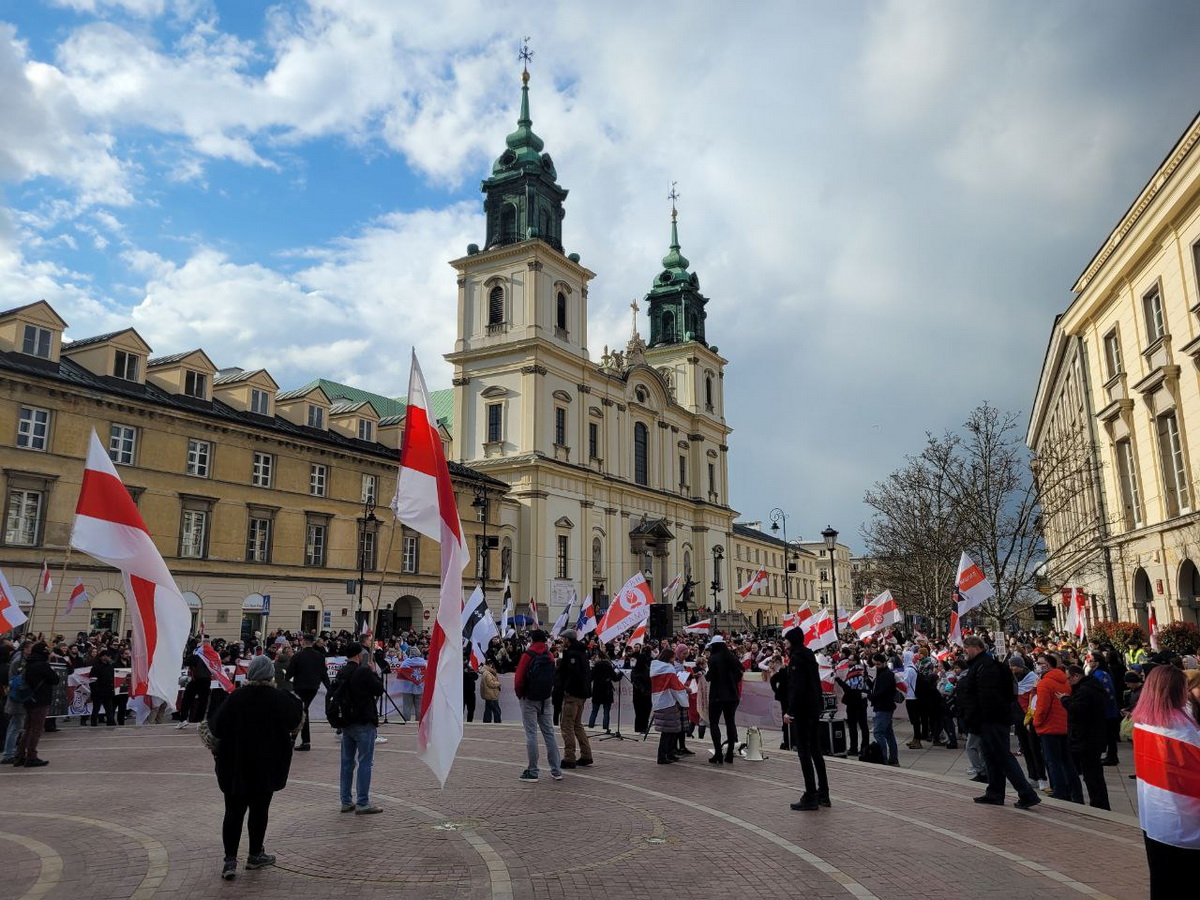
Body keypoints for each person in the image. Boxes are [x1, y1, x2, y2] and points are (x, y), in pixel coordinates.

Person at [208, 655, 303, 880]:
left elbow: (216, 727)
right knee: (259, 810)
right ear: (270, 674)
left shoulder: (235, 697)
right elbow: (295, 719)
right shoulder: (279, 698)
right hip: (266, 765)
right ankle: (254, 854)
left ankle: (230, 860)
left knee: (233, 812)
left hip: (235, 764)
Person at [1131, 665, 1200, 898]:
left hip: (1154, 817)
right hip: (1185, 820)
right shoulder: (1183, 729)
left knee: (1161, 881)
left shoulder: (1142, 720)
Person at [956, 636, 1040, 810]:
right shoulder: (982, 665)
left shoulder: (987, 667)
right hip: (987, 720)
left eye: (967, 647)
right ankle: (994, 792)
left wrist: (976, 717)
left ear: (977, 648)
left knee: (1002, 755)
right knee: (990, 756)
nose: (965, 650)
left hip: (991, 720)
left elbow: (986, 697)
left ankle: (1027, 793)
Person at [334, 642, 385, 814]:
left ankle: (346, 800)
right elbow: (379, 689)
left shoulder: (342, 671)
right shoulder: (363, 671)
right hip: (363, 720)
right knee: (365, 762)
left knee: (347, 763)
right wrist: (373, 672)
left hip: (346, 722)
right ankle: (363, 802)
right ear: (359, 655)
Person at [783, 628, 830, 810]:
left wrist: (790, 711)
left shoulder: (797, 658)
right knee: (816, 752)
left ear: (792, 641)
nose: (785, 644)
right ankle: (823, 793)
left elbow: (797, 687)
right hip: (814, 708)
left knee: (804, 752)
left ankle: (810, 794)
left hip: (802, 711)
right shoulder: (810, 656)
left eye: (787, 641)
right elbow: (814, 683)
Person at [1033, 653, 1083, 803]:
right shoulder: (1064, 681)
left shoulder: (1045, 683)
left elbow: (1042, 708)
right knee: (1067, 761)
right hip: (1063, 725)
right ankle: (1076, 793)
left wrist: (1036, 722)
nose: (1038, 665)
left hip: (1049, 727)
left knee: (1053, 762)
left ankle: (1061, 792)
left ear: (1047, 665)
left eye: (1040, 663)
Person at [514, 630, 563, 782]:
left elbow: (518, 679)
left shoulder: (528, 655)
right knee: (549, 733)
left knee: (531, 734)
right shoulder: (549, 655)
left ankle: (533, 770)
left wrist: (520, 694)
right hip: (545, 698)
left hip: (529, 698)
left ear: (532, 640)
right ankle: (556, 770)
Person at [1060, 664, 1110, 810]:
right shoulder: (1092, 687)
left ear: (1076, 676)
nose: (1068, 682)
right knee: (1093, 773)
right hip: (1092, 736)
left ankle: (1098, 804)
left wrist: (1065, 700)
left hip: (1087, 737)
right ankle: (1099, 803)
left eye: (1069, 678)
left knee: (1092, 774)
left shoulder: (1085, 690)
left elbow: (1077, 710)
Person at [14, 642, 58, 768]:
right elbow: (55, 679)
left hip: (28, 699)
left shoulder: (29, 663)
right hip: (40, 700)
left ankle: (20, 755)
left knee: (28, 728)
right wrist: (48, 664)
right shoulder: (42, 665)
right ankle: (31, 756)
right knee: (36, 730)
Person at [555, 629, 593, 769]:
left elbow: (572, 674)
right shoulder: (582, 652)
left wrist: (566, 688)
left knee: (567, 726)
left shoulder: (571, 654)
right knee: (577, 725)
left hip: (573, 695)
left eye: (563, 639)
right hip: (582, 694)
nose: (562, 641)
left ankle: (569, 757)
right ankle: (586, 754)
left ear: (568, 640)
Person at [285, 634, 329, 751]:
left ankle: (295, 739)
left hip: (300, 687)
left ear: (303, 642)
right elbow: (324, 674)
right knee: (304, 711)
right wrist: (330, 689)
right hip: (313, 687)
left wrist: (286, 681)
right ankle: (304, 741)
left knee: (302, 712)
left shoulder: (298, 656)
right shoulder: (320, 656)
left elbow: (289, 673)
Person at [705, 635, 742, 764]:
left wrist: (705, 675)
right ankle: (730, 753)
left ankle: (718, 754)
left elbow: (710, 677)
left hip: (717, 695)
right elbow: (740, 673)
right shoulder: (731, 657)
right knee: (730, 722)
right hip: (732, 695)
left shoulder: (713, 658)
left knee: (714, 723)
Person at [651, 646, 689, 765]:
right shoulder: (669, 669)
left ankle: (668, 754)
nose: (674, 659)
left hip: (659, 700)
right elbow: (675, 686)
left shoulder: (655, 667)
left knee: (668, 730)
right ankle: (663, 755)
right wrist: (685, 691)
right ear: (669, 657)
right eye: (673, 657)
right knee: (669, 731)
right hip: (668, 701)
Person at [867, 652, 899, 765]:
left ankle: (883, 757)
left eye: (878, 664)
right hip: (884, 706)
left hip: (884, 707)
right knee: (888, 733)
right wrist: (867, 681)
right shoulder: (883, 673)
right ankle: (893, 758)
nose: (876, 666)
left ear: (884, 663)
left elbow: (882, 692)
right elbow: (877, 688)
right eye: (875, 664)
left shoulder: (886, 674)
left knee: (878, 732)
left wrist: (869, 696)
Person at [588, 648, 616, 733]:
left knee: (594, 710)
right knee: (606, 711)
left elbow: (590, 678)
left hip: (597, 689)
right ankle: (605, 726)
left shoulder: (596, 666)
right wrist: (620, 675)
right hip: (607, 690)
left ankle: (591, 724)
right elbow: (615, 678)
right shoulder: (608, 666)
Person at [88, 648, 117, 727]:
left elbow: (112, 678)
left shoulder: (110, 667)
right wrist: (95, 690)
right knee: (96, 708)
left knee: (109, 708)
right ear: (103, 656)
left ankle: (110, 722)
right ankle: (94, 723)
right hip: (98, 692)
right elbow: (92, 681)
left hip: (108, 691)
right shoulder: (96, 667)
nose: (109, 658)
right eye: (108, 656)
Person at [631, 644, 652, 734]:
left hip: (642, 694)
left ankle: (642, 727)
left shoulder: (641, 669)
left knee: (641, 712)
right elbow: (635, 680)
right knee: (642, 712)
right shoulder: (640, 670)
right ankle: (642, 727)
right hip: (642, 694)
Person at [463, 652, 478, 723]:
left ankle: (469, 721)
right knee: (461, 709)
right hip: (462, 693)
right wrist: (465, 673)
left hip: (471, 692)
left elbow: (476, 676)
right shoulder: (458, 670)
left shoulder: (469, 668)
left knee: (471, 709)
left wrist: (469, 672)